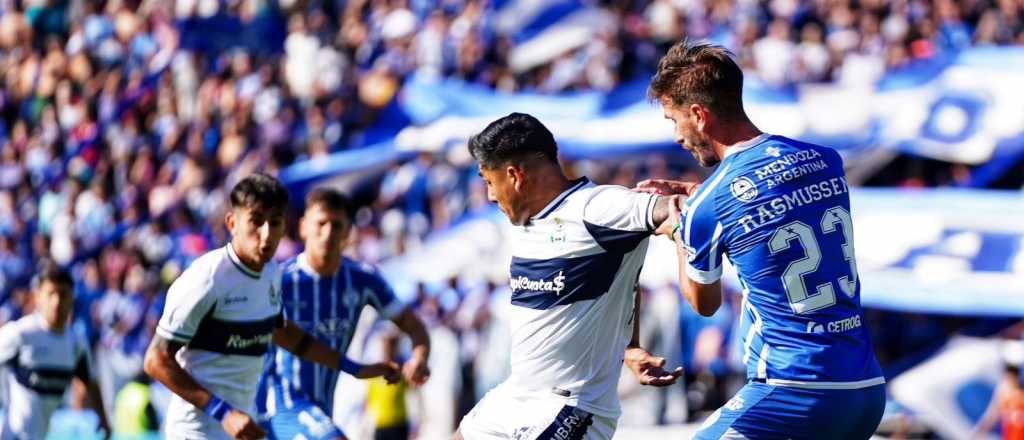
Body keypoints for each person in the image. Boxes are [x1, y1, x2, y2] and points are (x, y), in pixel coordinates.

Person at [638, 41, 885, 439]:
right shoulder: (825, 161)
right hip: (865, 389)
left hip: (793, 391)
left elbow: (705, 303)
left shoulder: (709, 203)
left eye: (674, 120)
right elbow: (773, 201)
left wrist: (679, 229)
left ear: (699, 116)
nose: (677, 136)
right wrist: (698, 196)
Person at [455, 113, 683, 440]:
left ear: (515, 175)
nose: (490, 196)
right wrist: (628, 346)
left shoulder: (597, 208)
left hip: (568, 407)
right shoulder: (530, 222)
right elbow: (624, 276)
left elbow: (677, 208)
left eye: (489, 182)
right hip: (512, 395)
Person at [143, 173, 399, 440]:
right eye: (256, 221)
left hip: (243, 430)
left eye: (274, 223)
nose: (266, 235)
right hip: (196, 433)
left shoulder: (270, 274)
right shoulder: (207, 278)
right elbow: (156, 360)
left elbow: (286, 335)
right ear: (232, 223)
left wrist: (355, 368)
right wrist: (223, 413)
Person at [256, 187, 431, 440]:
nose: (327, 233)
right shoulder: (281, 281)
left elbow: (414, 326)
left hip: (323, 409)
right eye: (321, 223)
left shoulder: (362, 280)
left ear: (348, 232)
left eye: (336, 225)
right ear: (304, 227)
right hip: (279, 408)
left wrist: (419, 357)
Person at [0, 262, 111, 439]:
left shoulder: (76, 343)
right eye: (51, 294)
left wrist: (103, 419)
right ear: (37, 297)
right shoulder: (20, 334)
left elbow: (90, 381)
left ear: (72, 298)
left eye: (63, 294)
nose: (57, 302)